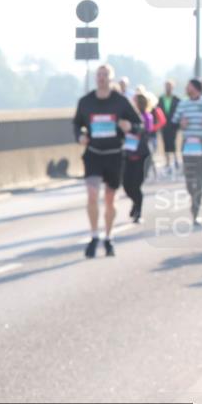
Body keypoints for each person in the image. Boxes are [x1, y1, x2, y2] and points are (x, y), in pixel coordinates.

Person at [72, 64, 142, 258]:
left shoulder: (120, 102)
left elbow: (139, 124)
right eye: (99, 75)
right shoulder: (86, 101)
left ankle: (109, 237)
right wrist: (79, 136)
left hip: (114, 154)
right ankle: (94, 235)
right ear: (95, 78)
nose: (101, 78)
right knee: (92, 194)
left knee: (110, 199)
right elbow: (76, 124)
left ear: (111, 79)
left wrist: (130, 126)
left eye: (105, 75)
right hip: (93, 153)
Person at [171, 79, 202, 226]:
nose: (186, 89)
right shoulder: (183, 104)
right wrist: (180, 124)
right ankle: (193, 196)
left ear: (195, 88)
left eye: (188, 87)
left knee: (199, 180)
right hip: (188, 145)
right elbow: (173, 122)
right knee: (189, 180)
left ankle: (195, 212)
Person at [123, 92, 157, 223]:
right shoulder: (127, 116)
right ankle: (135, 202)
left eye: (135, 101)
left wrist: (133, 128)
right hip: (128, 154)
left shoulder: (147, 117)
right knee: (127, 185)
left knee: (136, 185)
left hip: (142, 155)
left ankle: (138, 211)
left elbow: (146, 131)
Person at [158, 80, 182, 178]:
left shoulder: (176, 99)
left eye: (170, 86)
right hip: (164, 125)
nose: (168, 88)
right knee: (165, 143)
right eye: (167, 86)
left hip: (173, 125)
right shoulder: (161, 99)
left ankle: (176, 159)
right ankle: (167, 161)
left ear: (172, 87)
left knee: (173, 142)